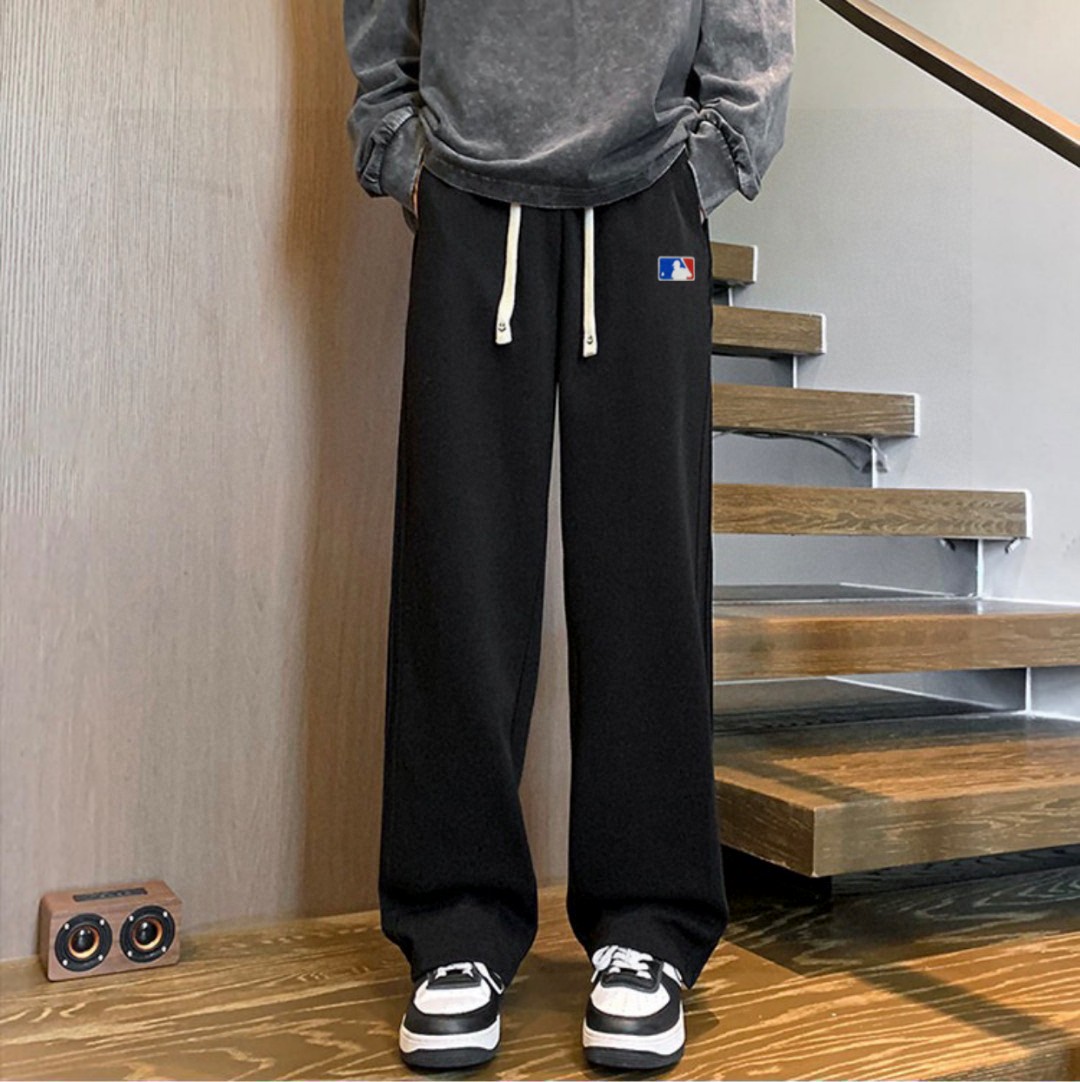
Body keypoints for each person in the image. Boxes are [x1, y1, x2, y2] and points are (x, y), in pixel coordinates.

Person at [343, 0, 794, 1070]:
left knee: (648, 575)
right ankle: (455, 924)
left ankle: (649, 926)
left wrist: (716, 153)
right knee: (457, 569)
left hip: (649, 200)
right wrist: (398, 141)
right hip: (468, 190)